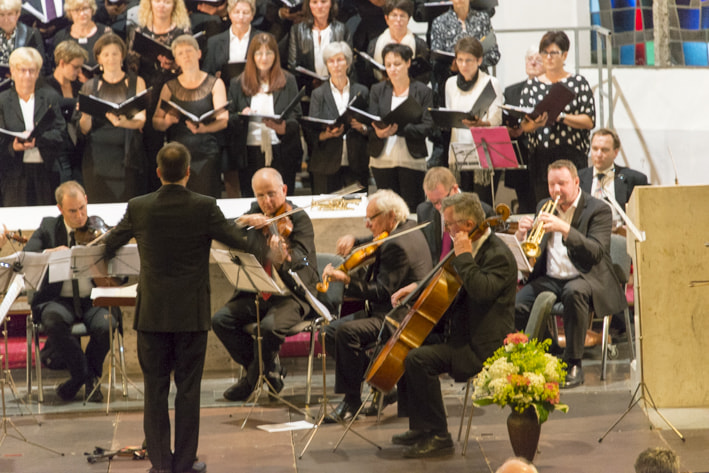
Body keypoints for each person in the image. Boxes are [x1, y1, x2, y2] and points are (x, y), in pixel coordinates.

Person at [102, 142, 248, 473]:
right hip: (190, 316)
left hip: (152, 315)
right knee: (188, 393)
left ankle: (161, 465)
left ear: (158, 173)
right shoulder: (205, 206)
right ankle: (183, 463)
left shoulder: (139, 207)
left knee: (154, 393)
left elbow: (109, 245)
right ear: (188, 172)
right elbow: (238, 240)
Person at [389, 191, 517, 458]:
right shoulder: (469, 247)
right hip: (461, 334)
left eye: (449, 224)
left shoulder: (497, 255)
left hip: (482, 346)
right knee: (410, 345)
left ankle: (439, 435)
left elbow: (481, 291)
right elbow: (448, 280)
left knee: (419, 360)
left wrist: (464, 257)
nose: (446, 230)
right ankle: (421, 427)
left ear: (468, 225)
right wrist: (418, 287)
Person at [321, 189, 432, 422]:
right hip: (392, 309)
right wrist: (356, 241)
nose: (367, 224)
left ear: (391, 215)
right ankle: (381, 382)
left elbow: (382, 292)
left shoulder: (397, 245)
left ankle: (352, 402)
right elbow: (378, 240)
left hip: (398, 316)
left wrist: (347, 281)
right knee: (329, 332)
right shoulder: (408, 226)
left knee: (344, 332)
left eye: (371, 218)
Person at [513, 160, 627, 388]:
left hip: (586, 276)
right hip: (550, 277)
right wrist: (521, 236)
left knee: (574, 293)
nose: (556, 190)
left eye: (562, 184)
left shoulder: (598, 209)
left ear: (576, 182)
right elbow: (535, 250)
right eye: (551, 184)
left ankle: (574, 363)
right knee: (517, 304)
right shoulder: (544, 205)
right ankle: (552, 350)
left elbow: (596, 252)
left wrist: (564, 228)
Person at [212, 167, 319, 402]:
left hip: (292, 295)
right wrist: (244, 220)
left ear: (284, 190)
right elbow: (223, 229)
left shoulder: (299, 218)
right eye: (260, 195)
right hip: (261, 292)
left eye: (271, 194)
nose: (266, 202)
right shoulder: (255, 212)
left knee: (269, 328)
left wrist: (285, 257)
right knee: (221, 320)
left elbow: (304, 260)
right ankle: (269, 371)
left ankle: (251, 379)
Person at [25, 181, 116, 403]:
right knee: (53, 321)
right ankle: (84, 375)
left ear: (86, 200)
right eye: (72, 211)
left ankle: (85, 378)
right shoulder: (48, 227)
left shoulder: (98, 229)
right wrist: (50, 252)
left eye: (82, 208)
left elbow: (119, 274)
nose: (79, 216)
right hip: (58, 300)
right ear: (60, 209)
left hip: (93, 299)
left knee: (107, 325)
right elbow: (28, 256)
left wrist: (99, 264)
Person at [520, 30, 595, 202]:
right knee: (545, 204)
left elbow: (589, 121)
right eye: (544, 53)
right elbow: (524, 125)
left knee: (573, 203)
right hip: (542, 155)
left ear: (564, 55)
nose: (548, 57)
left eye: (553, 53)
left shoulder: (578, 83)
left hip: (571, 153)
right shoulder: (532, 86)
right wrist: (537, 123)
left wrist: (561, 117)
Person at [227, 32, 303, 196]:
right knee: (252, 198)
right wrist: (242, 115)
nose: (264, 58)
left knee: (281, 198)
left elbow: (296, 115)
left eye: (269, 53)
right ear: (252, 56)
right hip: (249, 152)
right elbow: (229, 117)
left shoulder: (288, 80)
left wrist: (283, 128)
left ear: (275, 55)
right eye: (259, 53)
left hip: (281, 151)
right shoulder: (238, 83)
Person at [128, 0, 192, 191]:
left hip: (176, 95)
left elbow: (192, 64)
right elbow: (133, 70)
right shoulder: (139, 32)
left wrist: (175, 65)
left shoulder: (182, 32)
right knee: (151, 153)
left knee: (178, 147)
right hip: (149, 98)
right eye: (157, 1)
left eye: (167, 1)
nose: (161, 5)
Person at [153, 34, 227, 198]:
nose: (186, 56)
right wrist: (167, 121)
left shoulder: (215, 83)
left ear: (198, 54)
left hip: (207, 153)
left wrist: (204, 128)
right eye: (180, 53)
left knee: (206, 199)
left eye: (189, 51)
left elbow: (223, 120)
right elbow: (156, 121)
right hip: (178, 157)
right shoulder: (169, 87)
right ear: (176, 60)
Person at [79, 33, 147, 202]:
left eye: (115, 54)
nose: (111, 59)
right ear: (99, 58)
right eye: (106, 54)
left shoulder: (137, 82)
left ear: (122, 56)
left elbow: (141, 120)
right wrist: (85, 114)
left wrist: (124, 122)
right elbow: (84, 129)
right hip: (97, 159)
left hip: (128, 157)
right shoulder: (89, 86)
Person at [367, 43, 433, 213]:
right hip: (382, 158)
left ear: (408, 63)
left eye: (397, 64)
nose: (392, 69)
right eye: (388, 65)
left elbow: (428, 126)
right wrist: (378, 131)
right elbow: (371, 121)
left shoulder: (423, 91)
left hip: (411, 157)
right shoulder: (377, 90)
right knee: (387, 211)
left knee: (411, 209)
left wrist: (400, 129)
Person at [0, 47, 67, 206]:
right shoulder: (2, 100)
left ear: (38, 73)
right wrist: (13, 147)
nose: (27, 76)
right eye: (22, 70)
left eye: (32, 71)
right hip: (14, 173)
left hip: (45, 170)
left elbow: (61, 133)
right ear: (13, 72)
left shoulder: (50, 97)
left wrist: (38, 140)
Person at [442, 36, 503, 204]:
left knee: (482, 203)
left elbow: (497, 118)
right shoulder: (450, 84)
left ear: (479, 60)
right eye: (460, 60)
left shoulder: (490, 82)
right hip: (459, 149)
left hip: (482, 150)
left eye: (468, 60)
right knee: (461, 203)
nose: (464, 65)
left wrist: (482, 123)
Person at [305, 41, 369, 193]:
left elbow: (370, 124)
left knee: (357, 205)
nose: (336, 65)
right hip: (326, 162)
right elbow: (311, 131)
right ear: (327, 65)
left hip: (356, 161)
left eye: (340, 60)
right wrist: (326, 134)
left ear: (348, 63)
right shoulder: (318, 94)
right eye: (331, 61)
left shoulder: (361, 91)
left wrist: (363, 128)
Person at [429, 0, 499, 106]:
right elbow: (435, 62)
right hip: (452, 83)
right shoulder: (439, 22)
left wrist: (474, 63)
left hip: (480, 82)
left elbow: (494, 55)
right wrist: (452, 67)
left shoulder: (483, 19)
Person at [503, 46, 544, 214]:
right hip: (519, 155)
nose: (532, 62)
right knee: (524, 207)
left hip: (542, 154)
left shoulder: (550, 89)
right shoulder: (511, 91)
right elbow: (504, 117)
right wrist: (509, 129)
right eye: (529, 59)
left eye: (538, 60)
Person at [43, 39, 88, 183]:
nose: (79, 72)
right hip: (57, 151)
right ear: (62, 63)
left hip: (79, 150)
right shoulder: (45, 86)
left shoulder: (80, 87)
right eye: (76, 67)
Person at [579, 128, 649, 217]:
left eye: (604, 150)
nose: (598, 154)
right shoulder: (578, 178)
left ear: (615, 153)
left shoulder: (634, 180)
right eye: (595, 149)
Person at [287, 0, 352, 94]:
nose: (319, 6)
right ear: (309, 5)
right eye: (314, 2)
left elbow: (349, 64)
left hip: (337, 88)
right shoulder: (297, 30)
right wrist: (311, 83)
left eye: (324, 1)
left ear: (331, 4)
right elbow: (293, 66)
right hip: (308, 89)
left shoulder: (342, 29)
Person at [364, 0, 429, 86]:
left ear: (408, 19)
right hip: (382, 90)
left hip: (412, 90)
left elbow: (425, 77)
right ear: (386, 19)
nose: (398, 20)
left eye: (402, 16)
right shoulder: (374, 44)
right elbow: (369, 75)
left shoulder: (419, 44)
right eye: (394, 15)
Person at [202, 0, 261, 77]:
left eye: (245, 13)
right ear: (230, 14)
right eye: (236, 12)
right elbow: (206, 74)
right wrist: (215, 80)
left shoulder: (263, 39)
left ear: (252, 16)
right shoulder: (214, 42)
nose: (241, 17)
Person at [53, 0, 112, 67]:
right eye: (76, 10)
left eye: (85, 8)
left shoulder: (105, 33)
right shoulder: (61, 36)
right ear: (70, 12)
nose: (82, 13)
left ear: (92, 9)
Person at [0, 0, 45, 70]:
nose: (6, 20)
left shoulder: (32, 34)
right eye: (2, 15)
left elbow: (40, 66)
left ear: (18, 14)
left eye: (10, 14)